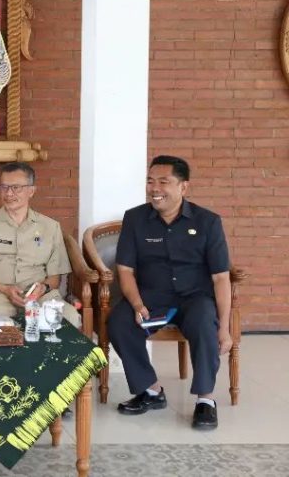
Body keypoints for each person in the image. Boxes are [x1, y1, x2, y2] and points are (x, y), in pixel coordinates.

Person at [107, 155, 231, 430]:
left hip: (195, 297)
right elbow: (125, 270)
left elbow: (221, 277)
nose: (155, 189)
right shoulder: (135, 219)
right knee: (119, 322)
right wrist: (137, 304)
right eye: (150, 181)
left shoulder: (208, 222)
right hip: (151, 295)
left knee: (204, 321)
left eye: (164, 182)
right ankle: (151, 390)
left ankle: (205, 400)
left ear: (183, 187)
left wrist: (224, 328)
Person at [0, 162, 79, 326]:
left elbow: (55, 276)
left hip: (40, 296)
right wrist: (4, 289)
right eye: (4, 187)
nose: (9, 193)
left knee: (69, 317)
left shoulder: (50, 227)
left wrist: (43, 288)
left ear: (31, 191)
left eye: (16, 188)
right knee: (1, 320)